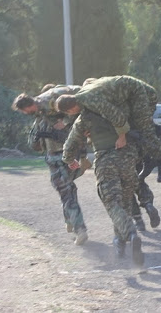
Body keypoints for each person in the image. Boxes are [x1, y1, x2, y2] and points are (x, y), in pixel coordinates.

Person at [62, 109, 145, 267]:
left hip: (106, 161)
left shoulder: (86, 117)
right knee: (125, 201)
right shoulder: (119, 109)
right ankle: (119, 242)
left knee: (112, 202)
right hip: (128, 159)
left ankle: (130, 233)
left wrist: (68, 159)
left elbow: (71, 142)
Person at [12, 85, 90, 246]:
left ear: (29, 106)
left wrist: (66, 122)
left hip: (65, 154)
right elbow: (34, 143)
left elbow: (79, 108)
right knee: (65, 188)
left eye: (25, 111)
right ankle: (70, 219)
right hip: (53, 156)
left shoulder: (53, 101)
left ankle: (79, 228)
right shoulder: (40, 115)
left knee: (66, 190)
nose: (26, 114)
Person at [55, 75, 161, 183]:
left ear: (71, 109)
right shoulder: (83, 98)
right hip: (129, 95)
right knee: (135, 128)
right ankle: (149, 159)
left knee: (145, 127)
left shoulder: (89, 100)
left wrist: (121, 136)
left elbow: (116, 116)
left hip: (139, 92)